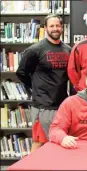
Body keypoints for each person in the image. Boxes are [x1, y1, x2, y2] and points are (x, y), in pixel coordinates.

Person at [16, 14, 71, 152]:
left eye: (57, 25)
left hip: (62, 104)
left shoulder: (68, 50)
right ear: (45, 28)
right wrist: (35, 87)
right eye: (51, 26)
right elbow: (21, 73)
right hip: (43, 106)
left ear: (62, 28)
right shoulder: (35, 50)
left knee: (58, 142)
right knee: (40, 142)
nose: (55, 28)